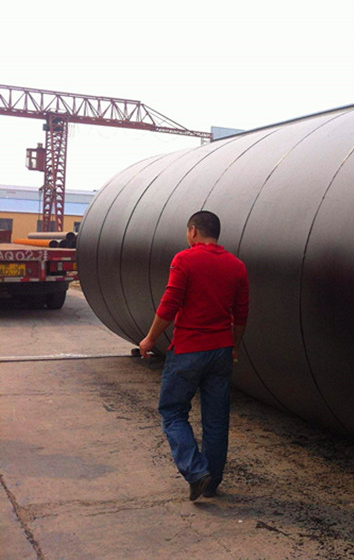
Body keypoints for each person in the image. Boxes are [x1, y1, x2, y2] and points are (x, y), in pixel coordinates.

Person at [139, 210, 249, 501]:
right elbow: (241, 314)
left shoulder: (185, 259)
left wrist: (150, 339)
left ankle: (197, 472)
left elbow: (170, 304)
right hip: (221, 350)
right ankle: (210, 483)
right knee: (216, 419)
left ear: (193, 231)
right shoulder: (237, 266)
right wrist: (234, 346)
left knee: (173, 411)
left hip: (189, 350)